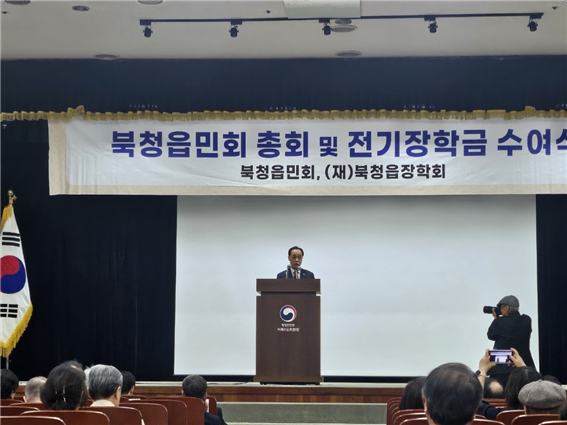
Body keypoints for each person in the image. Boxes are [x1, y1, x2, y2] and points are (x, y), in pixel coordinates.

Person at [487, 295, 535, 388]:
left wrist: (496, 319)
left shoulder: (499, 321)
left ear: (506, 308)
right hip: (523, 366)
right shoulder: (526, 320)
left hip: (502, 368)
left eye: (500, 308)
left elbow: (491, 335)